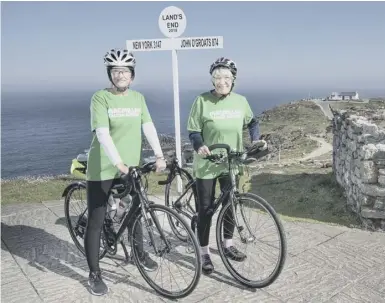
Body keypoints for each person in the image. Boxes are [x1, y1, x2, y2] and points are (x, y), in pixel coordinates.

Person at [84, 48, 167, 296]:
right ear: (110, 74)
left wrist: (160, 155)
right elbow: (102, 134)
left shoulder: (138, 98)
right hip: (103, 167)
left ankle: (140, 254)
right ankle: (94, 274)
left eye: (125, 71)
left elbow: (149, 127)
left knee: (135, 212)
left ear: (132, 75)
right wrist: (118, 163)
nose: (121, 75)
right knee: (96, 221)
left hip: (130, 167)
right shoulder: (100, 98)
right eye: (116, 71)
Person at [186, 57, 267, 274]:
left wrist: (255, 139)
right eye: (218, 77)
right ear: (212, 80)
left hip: (231, 162)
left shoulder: (240, 101)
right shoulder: (201, 101)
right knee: (206, 209)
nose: (222, 81)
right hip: (207, 163)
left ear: (233, 80)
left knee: (230, 204)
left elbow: (252, 122)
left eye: (227, 77)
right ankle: (203, 252)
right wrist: (200, 145)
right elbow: (193, 130)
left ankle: (227, 244)